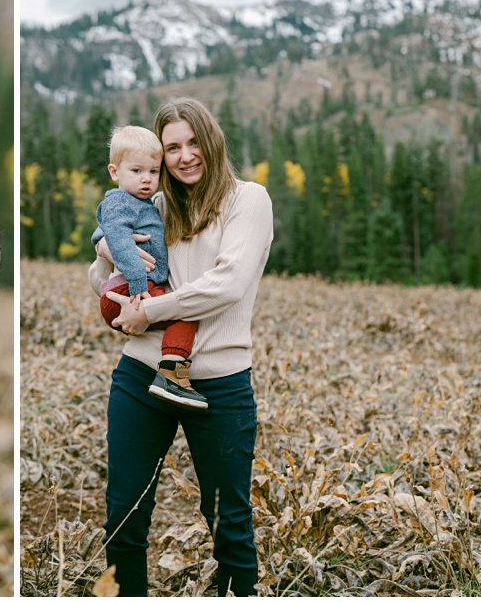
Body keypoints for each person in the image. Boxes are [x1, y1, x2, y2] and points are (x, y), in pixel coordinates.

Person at [90, 97, 272, 597]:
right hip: (140, 375)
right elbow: (102, 280)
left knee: (227, 520)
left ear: (212, 141)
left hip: (220, 382)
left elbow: (227, 284)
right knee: (125, 514)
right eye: (172, 147)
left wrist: (150, 311)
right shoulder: (155, 205)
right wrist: (106, 249)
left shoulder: (248, 200)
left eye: (193, 142)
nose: (185, 155)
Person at [94, 125, 207, 409]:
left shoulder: (143, 203)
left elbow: (104, 234)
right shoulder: (121, 202)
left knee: (179, 309)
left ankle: (172, 372)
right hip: (126, 290)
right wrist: (139, 288)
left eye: (153, 172)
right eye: (136, 171)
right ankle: (171, 372)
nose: (146, 179)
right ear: (114, 172)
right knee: (185, 312)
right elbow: (119, 242)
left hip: (130, 288)